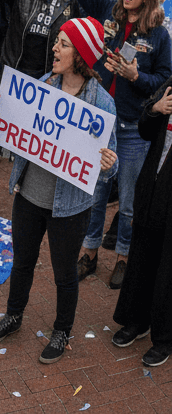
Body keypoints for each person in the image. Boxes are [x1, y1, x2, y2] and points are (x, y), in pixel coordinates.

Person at [0, 18, 118, 363]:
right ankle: (13, 316)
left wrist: (108, 164)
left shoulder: (102, 104)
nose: (54, 48)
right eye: (57, 41)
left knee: (64, 273)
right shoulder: (42, 85)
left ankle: (61, 331)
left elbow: (109, 167)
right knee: (22, 262)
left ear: (81, 55)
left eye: (63, 44)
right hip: (29, 195)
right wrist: (0, 108)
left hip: (69, 207)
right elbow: (16, 130)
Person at [67, 0, 172, 289]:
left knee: (127, 202)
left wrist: (135, 76)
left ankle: (123, 258)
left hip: (131, 130)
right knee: (96, 195)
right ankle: (89, 253)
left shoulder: (158, 35)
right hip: (100, 123)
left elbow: (164, 79)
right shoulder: (108, 10)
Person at [0, 0, 79, 169]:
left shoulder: (69, 0)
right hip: (15, 65)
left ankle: (23, 160)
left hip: (44, 71)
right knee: (0, 111)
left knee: (34, 120)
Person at [110, 74, 172, 366]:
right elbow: (145, 130)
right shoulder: (170, 86)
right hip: (152, 188)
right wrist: (155, 109)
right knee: (142, 257)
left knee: (167, 269)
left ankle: (164, 338)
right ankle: (137, 320)